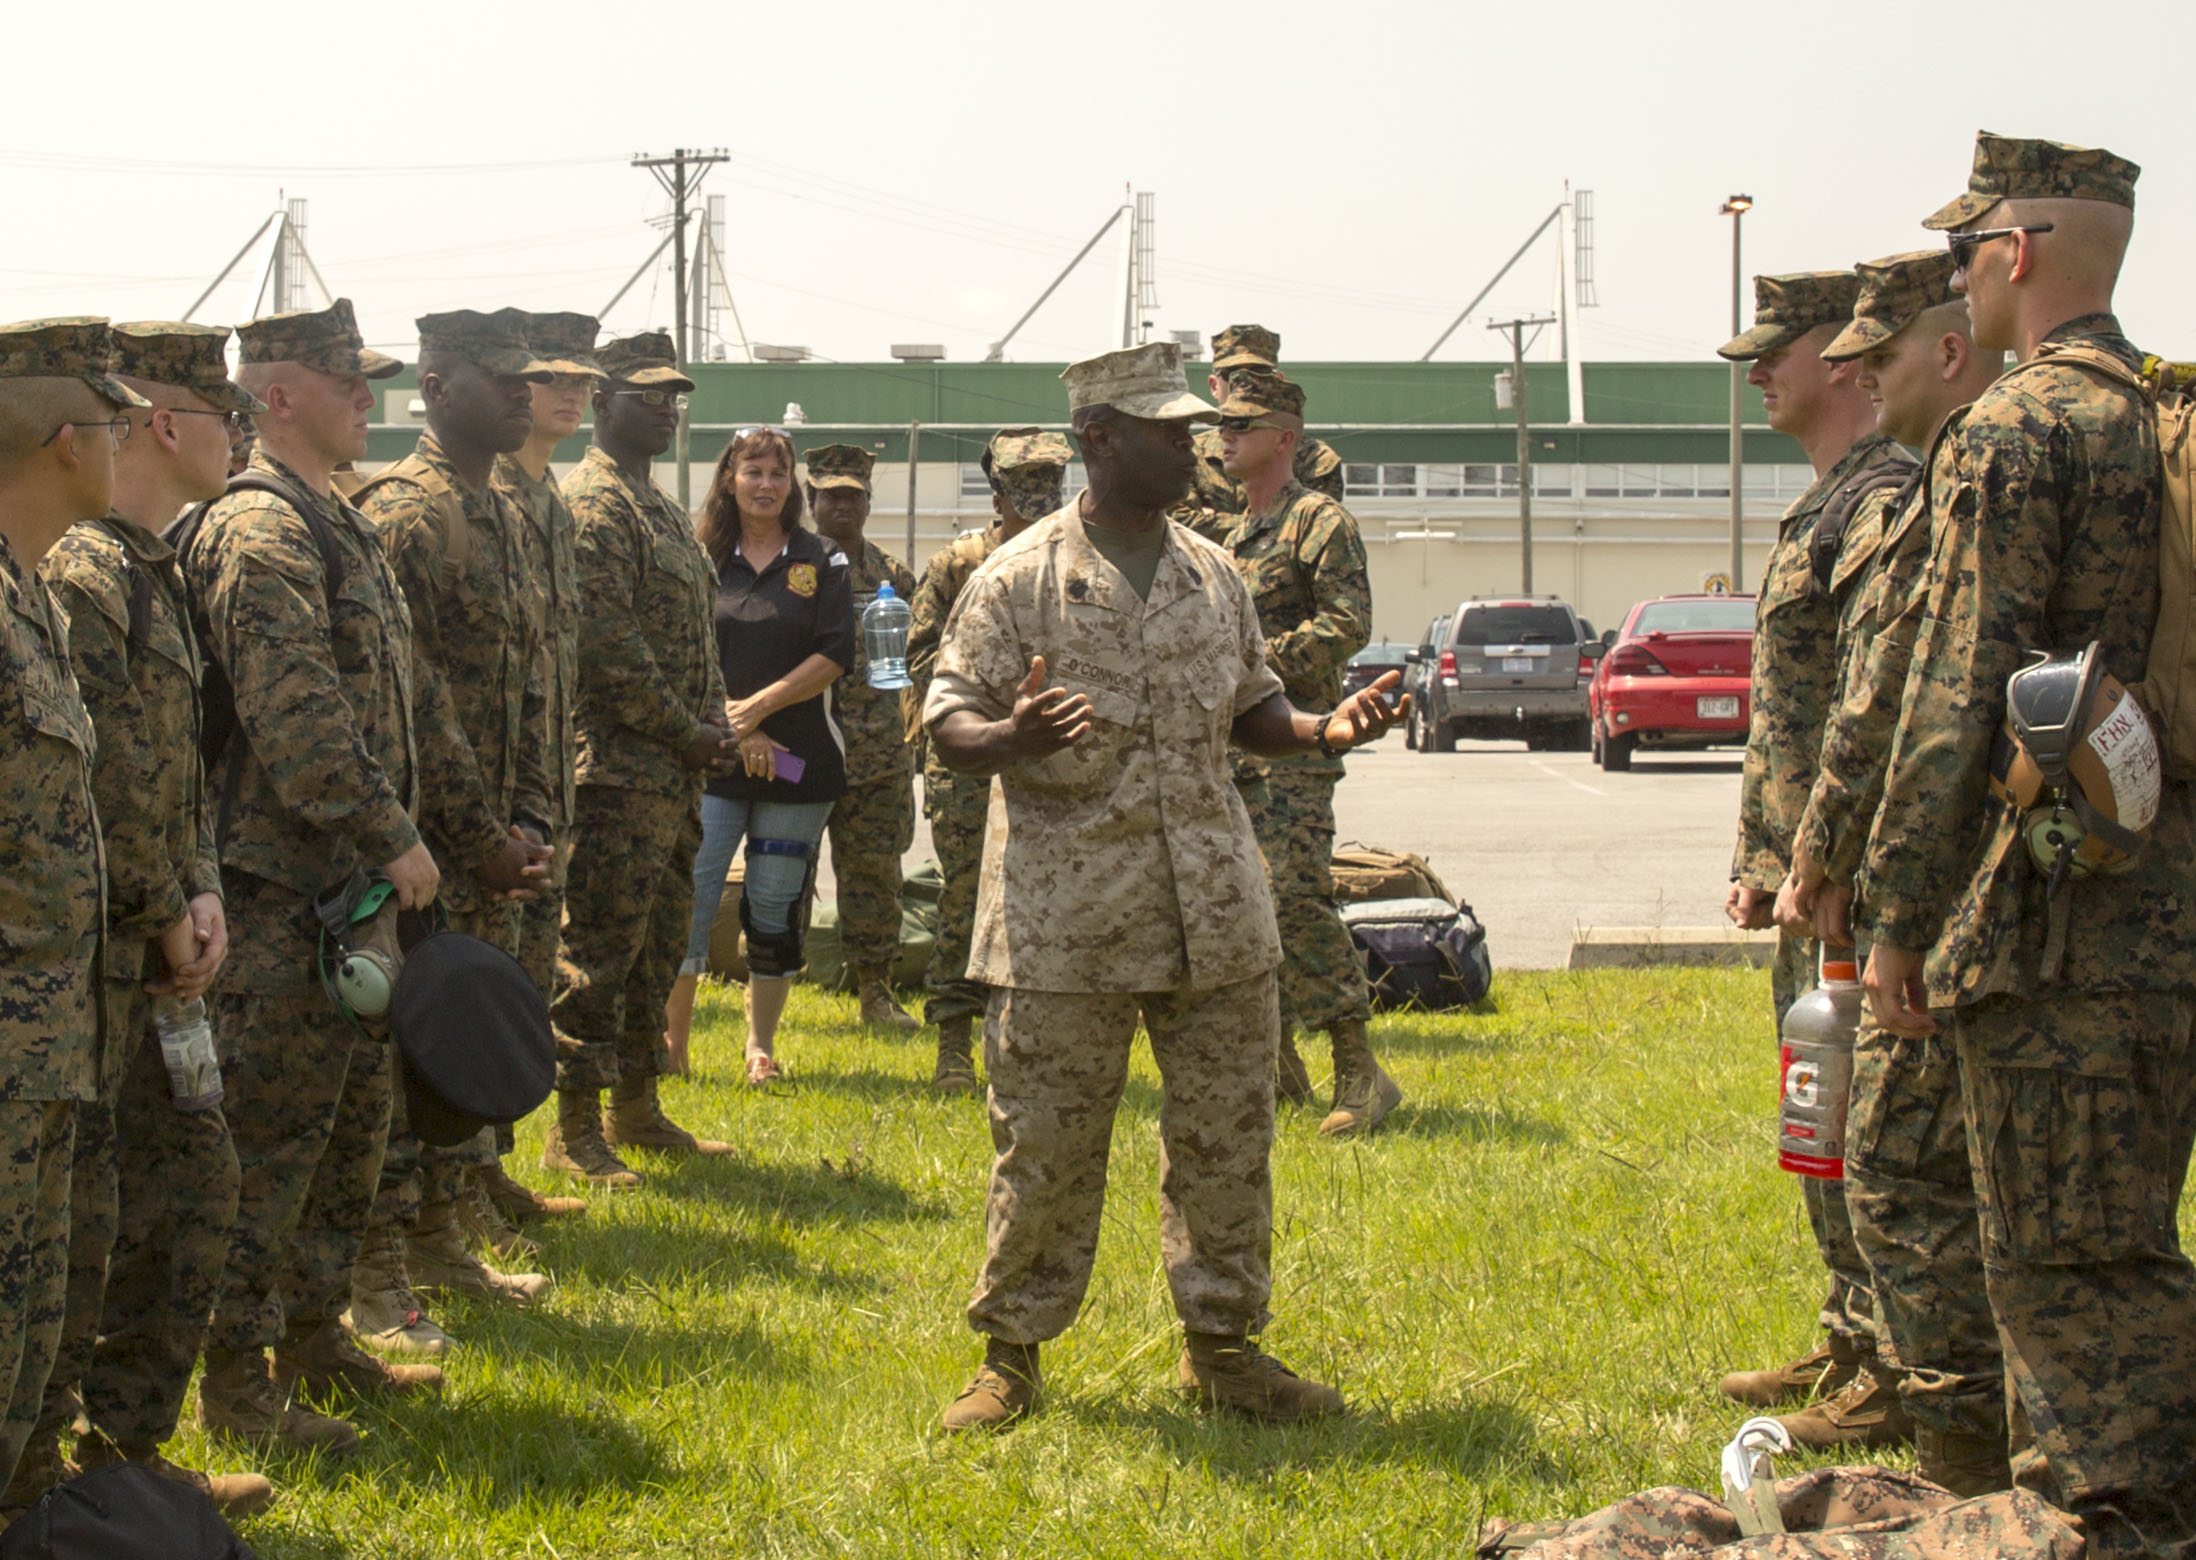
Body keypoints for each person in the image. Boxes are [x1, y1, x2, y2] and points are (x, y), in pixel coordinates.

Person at [925, 341, 1406, 1433]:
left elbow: (1251, 708)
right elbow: (945, 717)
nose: (1193, 445)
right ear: (1100, 439)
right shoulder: (1020, 577)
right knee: (1045, 1140)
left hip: (1215, 904)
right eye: (1168, 430)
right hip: (1066, 916)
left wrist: (1325, 726)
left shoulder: (1211, 570)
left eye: (1199, 429)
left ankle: (1224, 1349)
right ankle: (1013, 1357)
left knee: (1228, 1139)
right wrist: (1008, 732)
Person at [1861, 132, 2196, 1557]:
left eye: (1968, 248)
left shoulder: (2019, 430)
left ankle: (2109, 1521)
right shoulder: (2163, 413)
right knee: (2133, 1244)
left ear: (2020, 251)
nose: (1958, 277)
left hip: (2064, 918)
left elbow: (1952, 696)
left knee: (2074, 1273)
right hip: (2168, 896)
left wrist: (1890, 913)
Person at [185, 298, 443, 1454]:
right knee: (272, 1149)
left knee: (344, 1137)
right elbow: (299, 723)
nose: (369, 402)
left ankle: (314, 1338)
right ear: (277, 394)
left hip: (349, 903)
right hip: (282, 898)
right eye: (349, 383)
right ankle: (237, 1393)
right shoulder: (260, 533)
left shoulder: (333, 521)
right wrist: (392, 832)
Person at [22, 324, 270, 1516]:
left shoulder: (143, 568)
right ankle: (65, 1485)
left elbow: (176, 770)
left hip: (144, 953)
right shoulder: (78, 574)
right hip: (91, 971)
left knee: (163, 1203)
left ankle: (112, 1468)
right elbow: (96, 782)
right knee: (76, 1240)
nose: (244, 434)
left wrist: (202, 883)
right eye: (225, 414)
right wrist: (168, 907)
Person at [1774, 252, 2011, 1488]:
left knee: (1902, 1163)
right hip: (1885, 876)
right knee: (1865, 1146)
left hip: (1931, 887)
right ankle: (1897, 1377)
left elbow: (1913, 699)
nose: (1857, 371)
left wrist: (1866, 884)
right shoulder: (1922, 493)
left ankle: (1954, 1442)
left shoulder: (1943, 490)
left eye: (1881, 352)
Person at [1714, 271, 1914, 1434]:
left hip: (1849, 883)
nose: (1756, 375)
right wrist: (1762, 851)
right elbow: (1786, 710)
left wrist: (1832, 860)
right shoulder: (1828, 501)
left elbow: (1869, 708)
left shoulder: (1880, 499)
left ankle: (1892, 1358)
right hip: (1806, 877)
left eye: (1772, 352)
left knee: (1859, 1111)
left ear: (1842, 362)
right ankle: (1852, 1334)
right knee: (1816, 1104)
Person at [350, 309, 555, 1349]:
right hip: (419, 847)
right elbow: (405, 698)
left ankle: (442, 1235)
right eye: (502, 378)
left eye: (529, 380)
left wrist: (524, 822)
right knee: (397, 1068)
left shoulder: (504, 507)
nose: (525, 395)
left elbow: (524, 680)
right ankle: (378, 1277)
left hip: (487, 841)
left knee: (455, 1059)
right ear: (436, 382)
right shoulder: (404, 512)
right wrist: (472, 829)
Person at [0, 318, 139, 1507]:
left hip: (48, 1040)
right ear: (60, 440)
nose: (128, 439)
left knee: (32, 1327)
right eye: (110, 421)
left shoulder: (31, 592)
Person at [547, 332, 732, 1189]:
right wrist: (685, 728)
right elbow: (606, 647)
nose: (664, 409)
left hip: (672, 773)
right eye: (645, 395)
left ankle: (637, 1106)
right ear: (600, 403)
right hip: (616, 771)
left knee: (657, 947)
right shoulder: (594, 504)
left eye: (673, 397)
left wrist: (715, 722)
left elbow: (695, 636)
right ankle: (574, 1125)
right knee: (598, 953)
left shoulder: (655, 504)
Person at [1209, 369, 1392, 1134]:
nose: (1225, 438)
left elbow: (1349, 620)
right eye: (1221, 425)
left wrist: (1257, 664)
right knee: (1240, 910)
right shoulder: (1223, 534)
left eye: (1241, 426)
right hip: (1229, 752)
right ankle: (1278, 1071)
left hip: (1294, 744)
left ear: (1284, 437)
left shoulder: (1317, 522)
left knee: (1292, 898)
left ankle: (1359, 1067)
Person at [675, 429, 855, 1087]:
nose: (765, 484)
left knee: (773, 904)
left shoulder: (823, 559)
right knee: (691, 896)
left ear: (793, 486)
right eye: (752, 471)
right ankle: (673, 1050)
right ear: (729, 478)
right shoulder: (698, 556)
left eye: (778, 473)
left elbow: (836, 652)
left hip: (800, 765)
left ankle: (760, 1049)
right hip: (713, 755)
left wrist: (760, 709)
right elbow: (682, 649)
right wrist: (737, 724)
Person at [481, 310, 600, 1233]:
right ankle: (461, 1186)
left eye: (583, 382)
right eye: (553, 377)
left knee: (521, 985)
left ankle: (489, 1172)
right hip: (485, 794)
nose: (569, 394)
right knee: (481, 989)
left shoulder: (548, 497)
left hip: (543, 781)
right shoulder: (485, 494)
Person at [906, 427, 1070, 1093]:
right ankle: (953, 1044)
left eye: (1047, 491)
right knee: (967, 899)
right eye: (1022, 493)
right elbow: (920, 659)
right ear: (996, 493)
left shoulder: (1073, 563)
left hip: (1052, 753)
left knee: (1051, 898)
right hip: (971, 759)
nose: (1035, 505)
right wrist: (995, 706)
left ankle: (1037, 1045)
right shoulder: (957, 564)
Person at [805, 443, 920, 1034]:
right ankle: (766, 988)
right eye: (831, 496)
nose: (842, 506)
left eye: (853, 496)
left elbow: (918, 661)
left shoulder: (894, 578)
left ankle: (875, 992)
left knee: (875, 876)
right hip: (802, 751)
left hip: (876, 757)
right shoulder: (790, 573)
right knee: (787, 875)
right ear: (811, 501)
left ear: (869, 504)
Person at [1171, 323, 1344, 537]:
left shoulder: (1316, 460)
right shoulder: (1188, 454)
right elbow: (1174, 528)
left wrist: (1212, 522)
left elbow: (1312, 532)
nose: (1244, 383)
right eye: (1233, 374)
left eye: (1258, 373)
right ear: (1214, 386)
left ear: (1279, 382)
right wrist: (1266, 523)